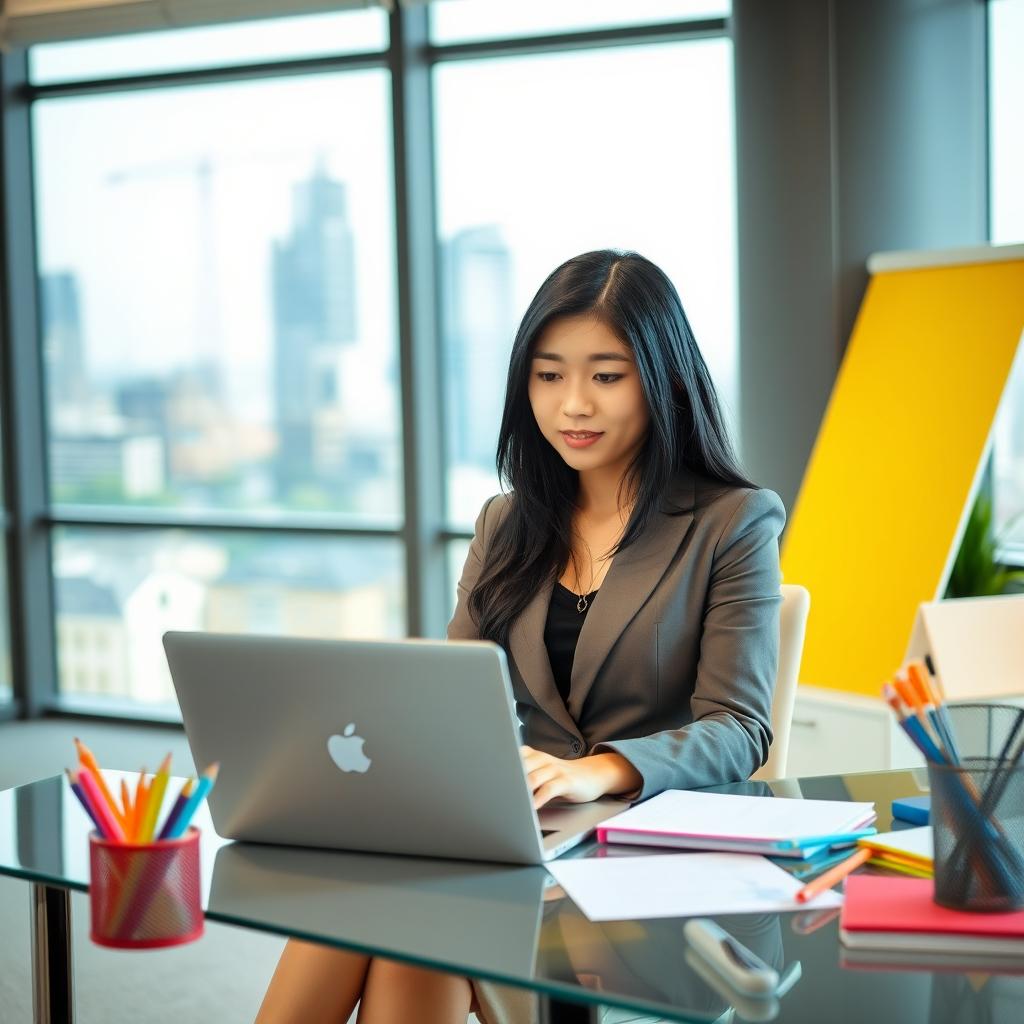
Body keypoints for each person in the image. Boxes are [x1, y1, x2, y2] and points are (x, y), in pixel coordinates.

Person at [254, 249, 785, 1024]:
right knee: (387, 911)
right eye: (548, 375)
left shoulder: (732, 522)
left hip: (645, 868)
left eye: (606, 375)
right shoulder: (507, 523)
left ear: (664, 378)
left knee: (390, 918)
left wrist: (597, 772)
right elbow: (453, 695)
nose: (573, 403)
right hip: (509, 843)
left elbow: (741, 730)